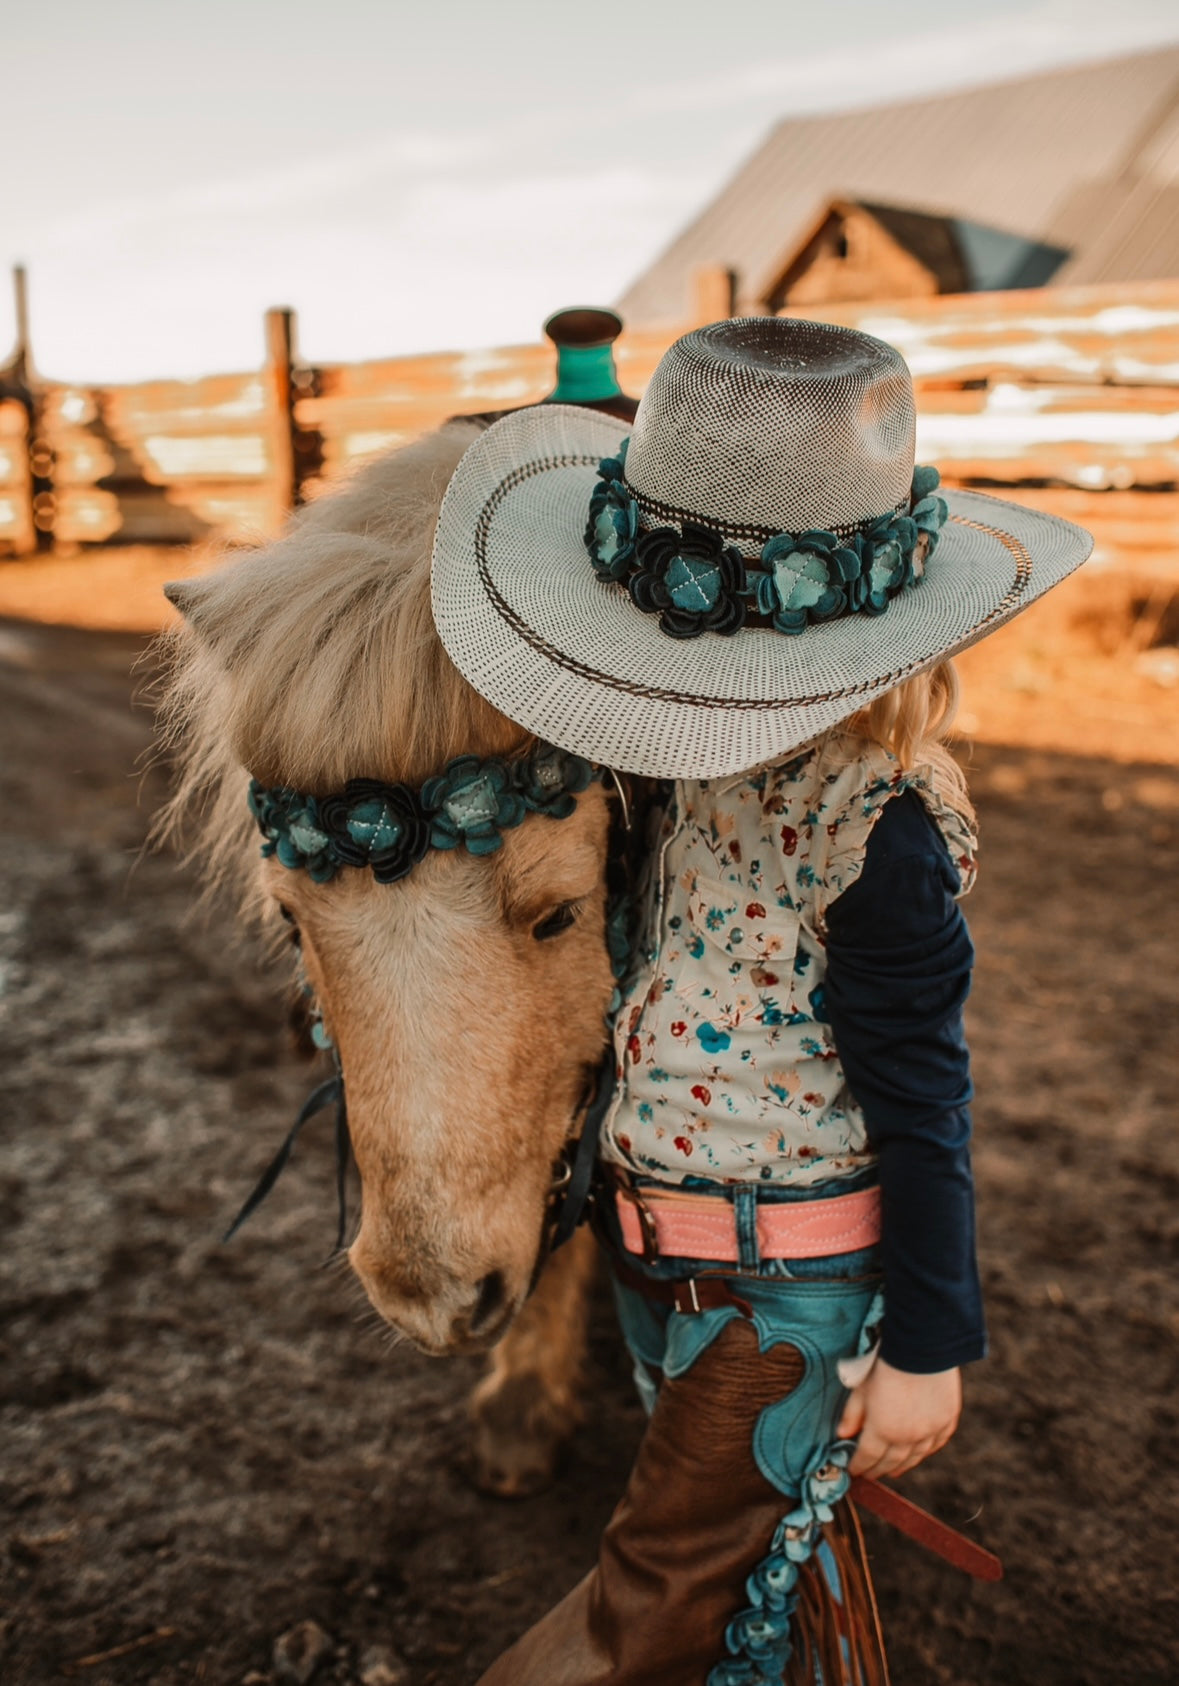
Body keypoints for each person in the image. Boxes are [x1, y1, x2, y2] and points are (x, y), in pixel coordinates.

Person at [430, 317, 1092, 1685]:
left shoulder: (880, 836)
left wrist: (926, 1344)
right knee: (752, 1580)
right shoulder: (660, 774)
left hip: (787, 1281)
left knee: (661, 1600)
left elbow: (924, 1093)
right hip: (655, 1250)